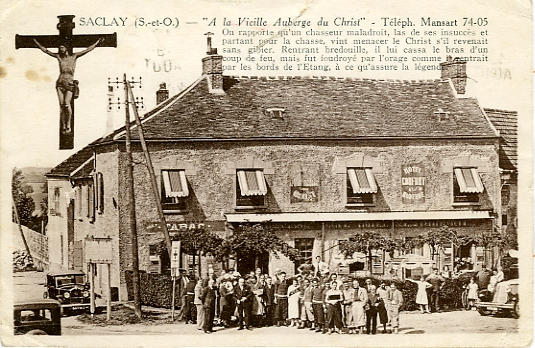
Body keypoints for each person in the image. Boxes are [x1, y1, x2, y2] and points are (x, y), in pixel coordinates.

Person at [33, 38, 103, 133]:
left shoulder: (74, 56)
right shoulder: (59, 57)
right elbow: (46, 51)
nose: (60, 49)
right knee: (62, 106)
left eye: (62, 47)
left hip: (69, 84)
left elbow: (87, 50)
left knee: (67, 104)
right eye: (59, 48)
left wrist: (97, 42)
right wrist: (36, 43)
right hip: (60, 83)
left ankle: (68, 125)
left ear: (66, 48)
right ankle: (64, 126)